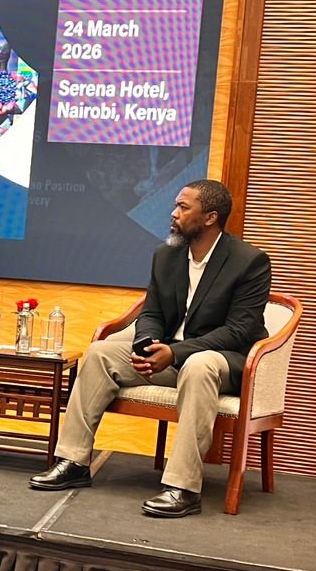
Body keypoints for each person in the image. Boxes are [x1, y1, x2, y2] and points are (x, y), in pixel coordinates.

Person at [29, 179, 271, 518]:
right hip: (171, 355)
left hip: (221, 363)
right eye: (175, 205)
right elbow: (152, 313)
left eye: (183, 207)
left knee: (199, 364)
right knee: (100, 353)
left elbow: (239, 330)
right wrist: (147, 346)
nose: (173, 213)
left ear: (210, 217)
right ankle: (74, 461)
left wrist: (175, 353)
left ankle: (183, 487)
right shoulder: (166, 255)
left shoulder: (249, 261)